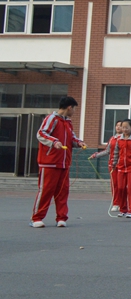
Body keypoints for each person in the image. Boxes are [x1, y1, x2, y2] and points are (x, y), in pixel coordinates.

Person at [31, 96, 86, 228]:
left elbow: (71, 136)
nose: (74, 112)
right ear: (69, 107)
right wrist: (54, 142)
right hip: (50, 162)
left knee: (63, 191)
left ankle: (61, 218)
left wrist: (79, 142)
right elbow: (41, 133)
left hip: (64, 163)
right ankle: (37, 218)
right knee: (46, 190)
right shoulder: (52, 119)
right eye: (74, 109)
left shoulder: (68, 122)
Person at [89, 120, 122, 212]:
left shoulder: (125, 139)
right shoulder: (112, 139)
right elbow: (107, 151)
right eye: (117, 125)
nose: (118, 127)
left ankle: (124, 203)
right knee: (114, 184)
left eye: (120, 125)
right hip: (112, 165)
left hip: (123, 165)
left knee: (122, 185)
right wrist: (96, 155)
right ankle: (116, 203)